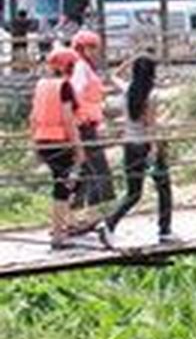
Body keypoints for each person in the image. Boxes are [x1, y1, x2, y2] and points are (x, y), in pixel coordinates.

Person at [32, 47, 101, 248]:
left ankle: (65, 223)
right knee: (64, 186)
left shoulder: (42, 85)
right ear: (67, 66)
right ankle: (58, 233)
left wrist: (34, 145)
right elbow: (68, 119)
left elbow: (33, 117)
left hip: (43, 140)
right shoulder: (64, 86)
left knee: (65, 183)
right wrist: (78, 147)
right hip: (60, 141)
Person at [104, 53, 175, 244]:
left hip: (129, 145)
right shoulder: (151, 95)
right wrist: (154, 149)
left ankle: (110, 223)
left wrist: (129, 60)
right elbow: (151, 126)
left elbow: (113, 76)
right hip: (146, 146)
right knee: (164, 188)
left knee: (134, 193)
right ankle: (165, 230)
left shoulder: (127, 89)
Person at [69, 29, 114, 210]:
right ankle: (94, 210)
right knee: (97, 169)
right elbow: (76, 93)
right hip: (83, 125)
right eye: (91, 47)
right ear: (81, 48)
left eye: (96, 47)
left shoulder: (86, 67)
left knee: (87, 169)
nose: (96, 52)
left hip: (88, 123)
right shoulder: (80, 67)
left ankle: (75, 209)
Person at [9, 8, 29, 73]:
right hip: (17, 41)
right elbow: (13, 31)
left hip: (22, 42)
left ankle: (23, 67)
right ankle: (16, 67)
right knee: (16, 54)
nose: (23, 20)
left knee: (22, 54)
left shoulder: (24, 22)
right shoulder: (15, 22)